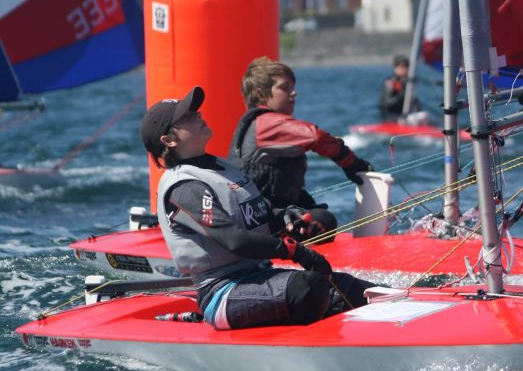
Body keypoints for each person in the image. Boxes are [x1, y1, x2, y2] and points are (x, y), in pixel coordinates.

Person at [140, 85, 376, 331]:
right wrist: (297, 252)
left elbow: (260, 214)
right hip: (223, 291)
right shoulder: (185, 187)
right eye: (186, 117)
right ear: (169, 140)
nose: (198, 115)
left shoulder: (220, 167)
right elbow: (235, 240)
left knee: (359, 290)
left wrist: (286, 218)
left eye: (195, 111)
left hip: (259, 275)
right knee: (308, 288)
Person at [229, 57, 372, 239]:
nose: (294, 93)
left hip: (264, 214)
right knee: (325, 220)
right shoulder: (266, 123)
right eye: (284, 88)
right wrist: (351, 163)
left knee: (314, 209)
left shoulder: (262, 123)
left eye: (293, 87)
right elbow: (315, 137)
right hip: (261, 222)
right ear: (261, 93)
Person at [377, 54, 421, 120]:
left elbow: (414, 102)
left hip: (405, 115)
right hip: (391, 117)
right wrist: (401, 95)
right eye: (401, 67)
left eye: (406, 66)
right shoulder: (390, 83)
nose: (404, 69)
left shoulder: (408, 83)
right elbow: (386, 104)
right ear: (395, 68)